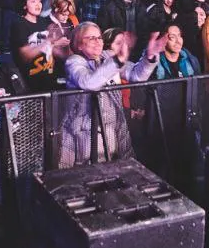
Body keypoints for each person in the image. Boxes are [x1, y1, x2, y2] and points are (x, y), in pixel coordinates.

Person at [58, 23, 164, 167]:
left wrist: (149, 57)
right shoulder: (74, 61)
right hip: (83, 135)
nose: (98, 41)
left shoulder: (108, 57)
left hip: (113, 127)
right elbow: (88, 83)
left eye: (99, 37)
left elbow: (136, 75)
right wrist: (116, 62)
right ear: (79, 45)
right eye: (91, 38)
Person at [11, 0, 54, 92]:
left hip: (50, 74)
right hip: (31, 79)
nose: (38, 4)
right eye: (33, 1)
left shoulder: (44, 22)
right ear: (24, 5)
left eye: (39, 1)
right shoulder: (19, 25)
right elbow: (24, 54)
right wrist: (47, 42)